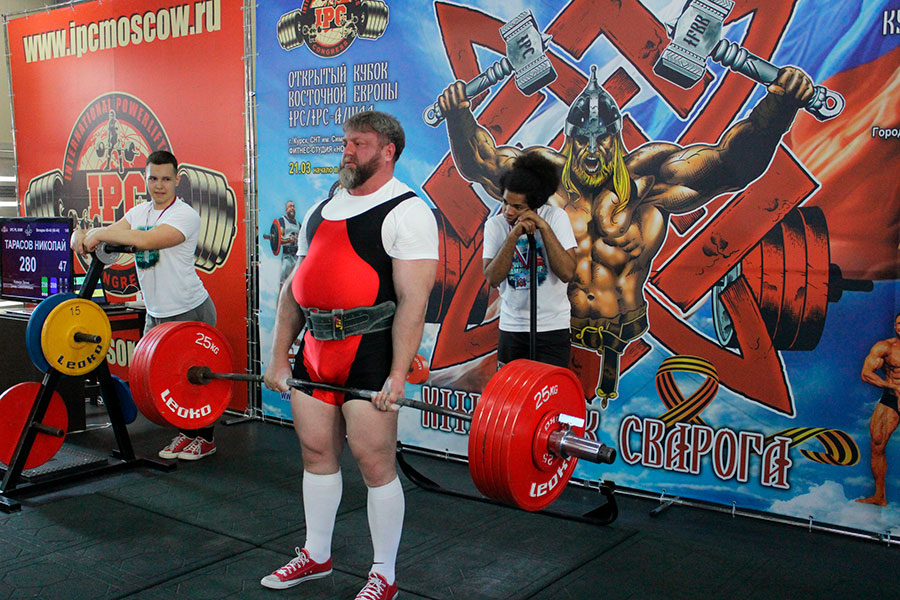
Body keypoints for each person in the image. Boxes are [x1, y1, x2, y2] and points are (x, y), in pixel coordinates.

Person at [439, 64, 816, 405]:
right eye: (581, 140)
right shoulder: (542, 178)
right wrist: (458, 114)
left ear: (616, 137)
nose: (591, 151)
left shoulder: (650, 177)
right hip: (551, 331)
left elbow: (729, 166)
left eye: (602, 139)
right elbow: (482, 163)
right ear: (568, 139)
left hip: (619, 337)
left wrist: (776, 109)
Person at [261, 111, 438, 600]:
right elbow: (293, 290)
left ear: (388, 151)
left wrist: (398, 374)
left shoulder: (407, 211)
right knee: (316, 453)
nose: (347, 151)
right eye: (346, 142)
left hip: (371, 350)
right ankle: (316, 555)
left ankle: (384, 575)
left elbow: (414, 302)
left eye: (359, 143)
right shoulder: (321, 209)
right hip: (315, 349)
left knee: (375, 463)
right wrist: (278, 357)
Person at [71, 150, 218, 460]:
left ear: (177, 180)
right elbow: (112, 234)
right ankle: (186, 433)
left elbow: (147, 241)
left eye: (166, 179)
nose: (159, 185)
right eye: (153, 178)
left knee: (197, 377)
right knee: (170, 380)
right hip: (156, 312)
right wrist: (79, 235)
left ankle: (205, 438)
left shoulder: (185, 215)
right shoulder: (139, 212)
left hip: (189, 307)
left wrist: (96, 233)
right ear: (145, 178)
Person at [482, 152, 576, 368]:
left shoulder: (556, 218)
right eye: (505, 202)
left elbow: (567, 273)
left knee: (549, 389)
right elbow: (493, 278)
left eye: (517, 207)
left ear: (535, 206)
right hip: (512, 328)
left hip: (553, 328)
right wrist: (513, 236)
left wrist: (544, 228)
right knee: (511, 389)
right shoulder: (495, 225)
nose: (508, 211)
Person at [856, 313, 900, 506]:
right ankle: (879, 496)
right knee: (877, 442)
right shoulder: (886, 347)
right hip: (891, 398)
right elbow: (866, 373)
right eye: (898, 323)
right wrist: (892, 386)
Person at [277, 200, 300, 287]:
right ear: (286, 209)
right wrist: (288, 240)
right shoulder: (282, 221)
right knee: (283, 283)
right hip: (287, 256)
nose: (292, 208)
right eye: (290, 206)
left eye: (293, 206)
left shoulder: (298, 224)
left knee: (296, 283)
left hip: (296, 257)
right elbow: (279, 238)